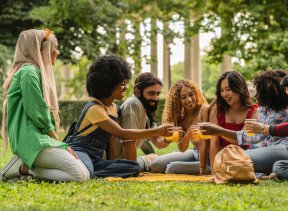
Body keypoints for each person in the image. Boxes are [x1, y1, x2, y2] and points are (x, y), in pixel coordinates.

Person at [1, 29, 89, 182]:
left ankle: (24, 169)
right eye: (54, 47)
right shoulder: (29, 72)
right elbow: (37, 112)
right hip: (31, 140)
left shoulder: (33, 72)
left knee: (84, 174)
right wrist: (59, 142)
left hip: (39, 139)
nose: (58, 52)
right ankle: (21, 168)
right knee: (79, 176)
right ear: (39, 49)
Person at [65, 55, 173, 178]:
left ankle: (93, 172)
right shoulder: (94, 108)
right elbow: (122, 134)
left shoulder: (114, 109)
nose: (126, 88)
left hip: (97, 158)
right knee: (87, 170)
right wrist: (157, 131)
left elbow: (110, 140)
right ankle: (90, 172)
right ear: (108, 84)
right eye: (122, 84)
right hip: (81, 151)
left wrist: (112, 161)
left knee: (133, 167)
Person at [200, 70, 288, 178]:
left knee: (232, 159)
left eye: (259, 92)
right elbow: (251, 137)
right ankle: (263, 176)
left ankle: (261, 175)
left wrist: (219, 130)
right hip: (272, 149)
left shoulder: (282, 112)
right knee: (238, 155)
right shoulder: (264, 108)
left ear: (269, 93)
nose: (256, 95)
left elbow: (255, 137)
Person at [149, 79, 210, 175]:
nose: (189, 100)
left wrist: (202, 170)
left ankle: (207, 168)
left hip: (209, 159)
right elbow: (182, 149)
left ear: (195, 93)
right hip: (195, 153)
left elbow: (203, 143)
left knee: (171, 168)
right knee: (155, 165)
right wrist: (187, 137)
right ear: (178, 101)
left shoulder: (204, 109)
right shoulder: (181, 118)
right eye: (183, 97)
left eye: (191, 94)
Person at [113, 72, 170, 170]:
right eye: (151, 93)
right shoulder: (133, 104)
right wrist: (132, 169)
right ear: (137, 91)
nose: (156, 98)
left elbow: (158, 143)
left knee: (155, 157)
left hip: (126, 162)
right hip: (120, 163)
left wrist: (170, 137)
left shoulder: (146, 109)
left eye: (158, 94)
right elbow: (128, 143)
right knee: (155, 158)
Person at [207, 71, 259, 173]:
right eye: (221, 90)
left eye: (228, 89)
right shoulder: (217, 110)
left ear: (239, 88)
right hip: (220, 159)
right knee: (173, 167)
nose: (224, 94)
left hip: (243, 159)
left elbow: (242, 139)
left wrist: (218, 131)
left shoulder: (254, 111)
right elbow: (214, 143)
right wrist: (214, 173)